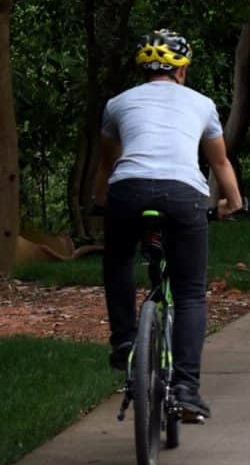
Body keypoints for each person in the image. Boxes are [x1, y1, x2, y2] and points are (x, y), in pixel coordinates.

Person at [93, 29, 242, 421]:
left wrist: (99, 202)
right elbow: (220, 162)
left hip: (128, 191)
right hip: (183, 195)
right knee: (190, 292)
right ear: (182, 69)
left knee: (118, 262)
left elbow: (108, 164)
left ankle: (125, 341)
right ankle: (186, 391)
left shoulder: (117, 103)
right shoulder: (203, 104)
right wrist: (233, 202)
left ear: (144, 69)